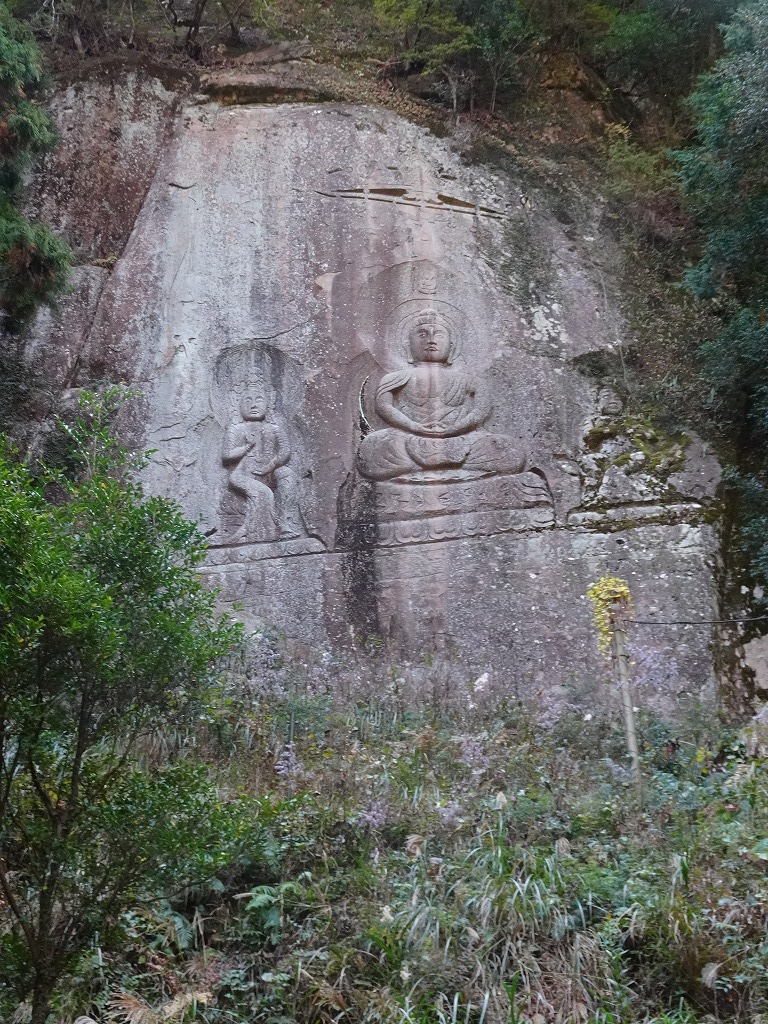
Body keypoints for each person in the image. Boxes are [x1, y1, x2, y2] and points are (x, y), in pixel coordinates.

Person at [357, 309, 526, 482]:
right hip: (410, 437)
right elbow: (383, 406)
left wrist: (454, 429)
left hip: (461, 439)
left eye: (438, 334)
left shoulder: (470, 381)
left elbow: (481, 410)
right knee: (372, 449)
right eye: (422, 334)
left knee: (507, 449)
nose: (430, 340)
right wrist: (414, 426)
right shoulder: (396, 378)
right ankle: (453, 469)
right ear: (408, 346)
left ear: (451, 347)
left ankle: (423, 470)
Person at [222, 381, 304, 542]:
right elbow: (227, 455)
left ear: (269, 404)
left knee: (287, 474)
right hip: (242, 474)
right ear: (238, 405)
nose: (253, 405)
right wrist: (247, 447)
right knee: (263, 492)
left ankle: (287, 522)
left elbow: (285, 451)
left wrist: (270, 466)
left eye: (259, 400)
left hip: (268, 472)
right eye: (248, 401)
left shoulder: (274, 429)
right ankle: (259, 530)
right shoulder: (236, 429)